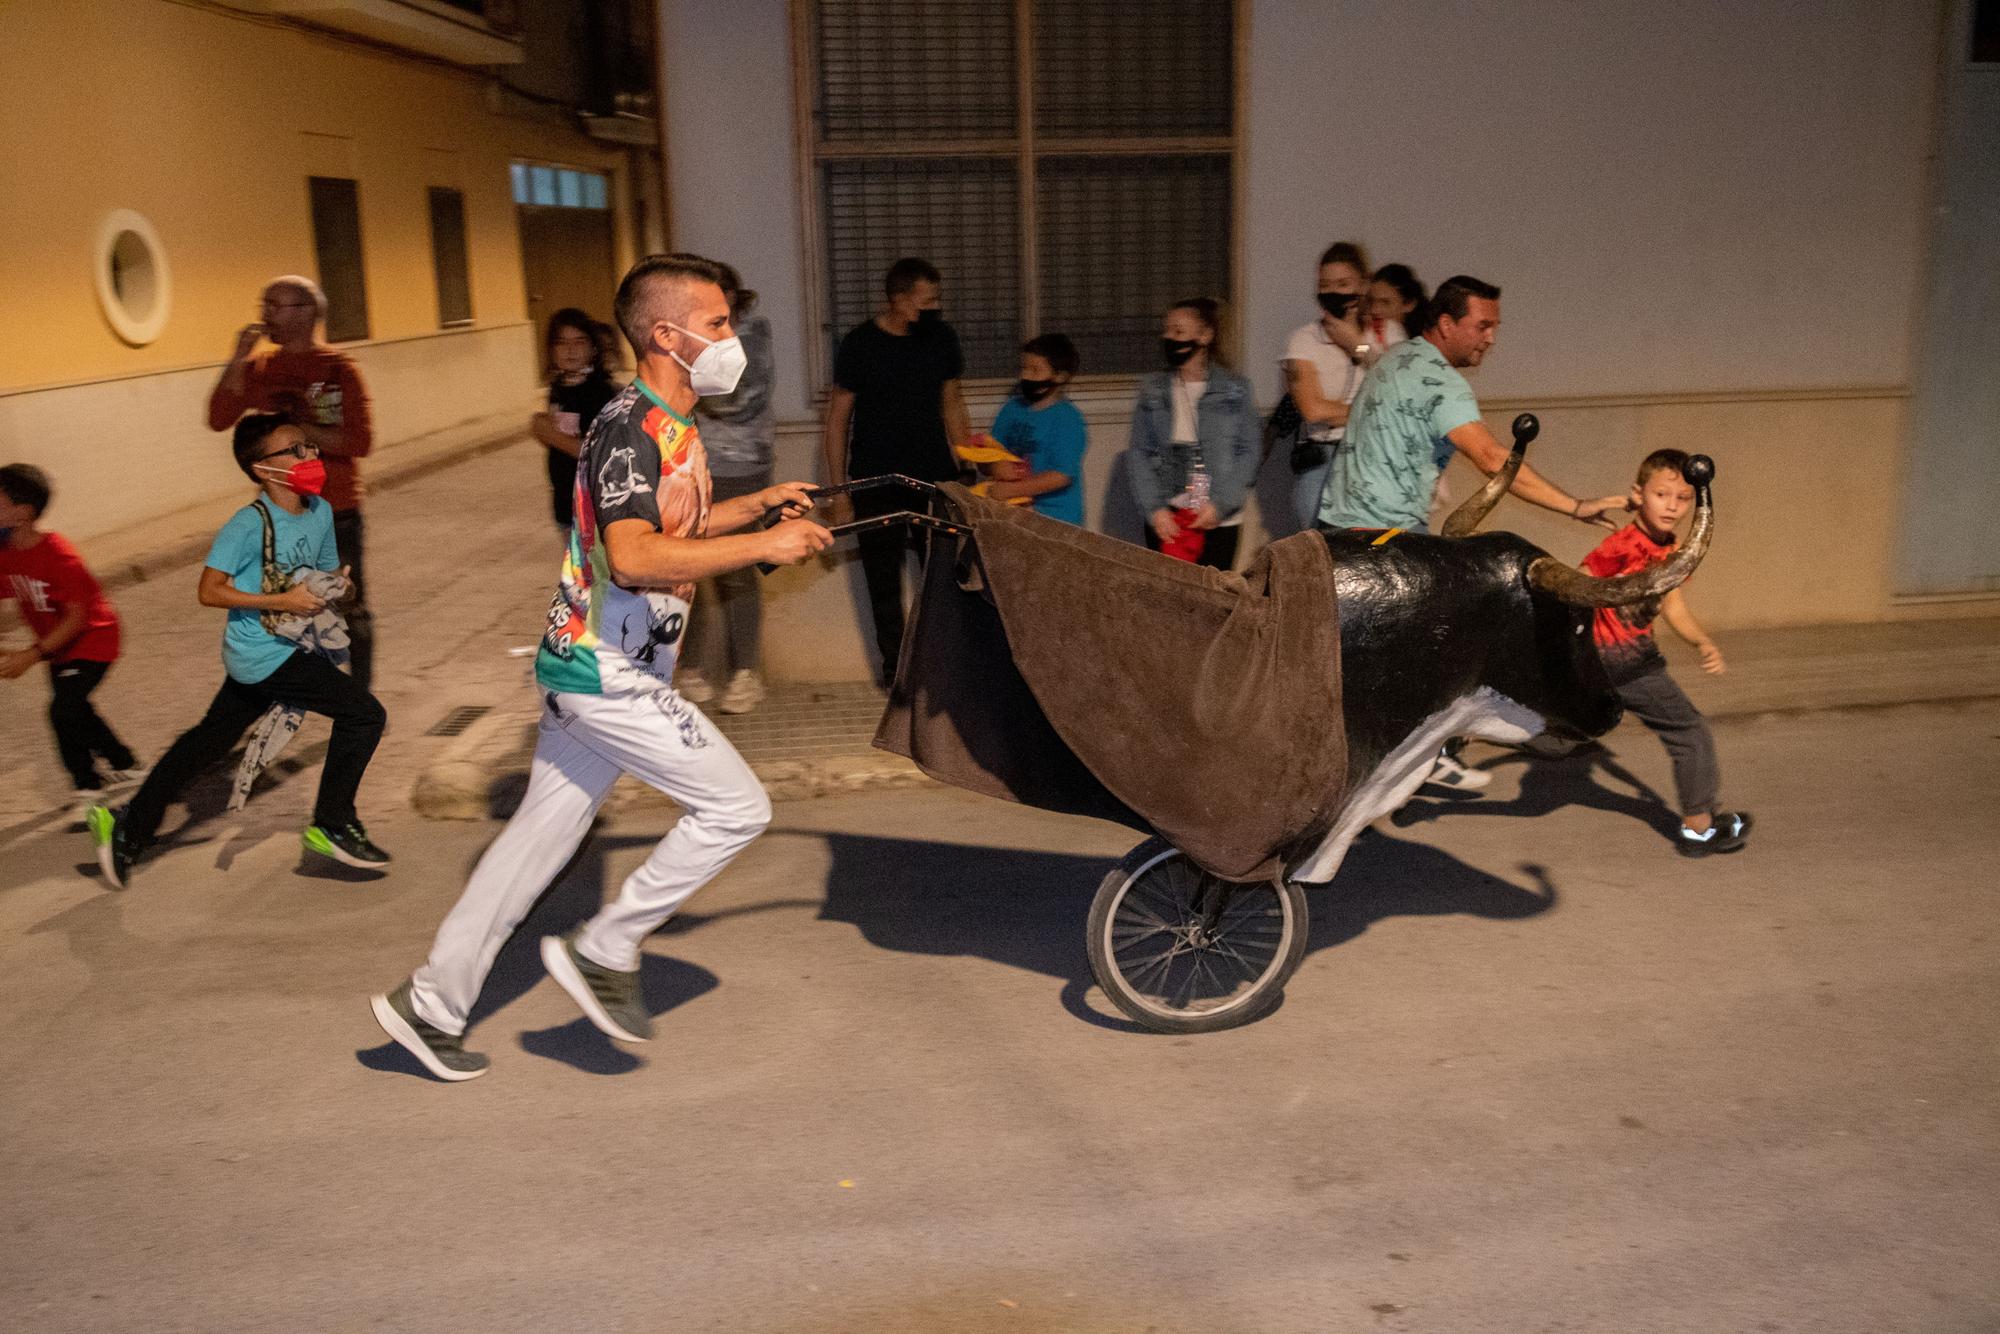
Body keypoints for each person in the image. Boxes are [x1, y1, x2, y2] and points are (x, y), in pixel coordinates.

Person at [369, 253, 832, 1082]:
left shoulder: (672, 424)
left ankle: (429, 1005)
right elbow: (635, 556)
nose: (734, 340)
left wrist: (754, 506)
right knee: (735, 808)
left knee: (532, 849)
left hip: (607, 668)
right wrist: (765, 545)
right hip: (603, 669)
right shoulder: (630, 426)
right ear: (668, 334)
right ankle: (606, 947)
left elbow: (672, 529)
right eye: (718, 324)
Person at [1317, 274, 1625, 790]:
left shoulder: (1396, 357)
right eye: (1482, 326)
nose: (1490, 338)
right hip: (1384, 541)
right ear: (1446, 323)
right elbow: (1491, 459)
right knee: (1452, 638)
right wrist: (1576, 506)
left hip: (1337, 529)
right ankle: (1429, 749)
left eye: (1495, 328)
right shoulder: (1442, 382)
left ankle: (1373, 765)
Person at [88, 415, 388, 888]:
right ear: (262, 469)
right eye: (292, 450)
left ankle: (127, 823)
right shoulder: (248, 525)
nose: (307, 456)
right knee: (365, 715)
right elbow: (209, 590)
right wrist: (281, 601)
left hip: (284, 645)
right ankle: (331, 824)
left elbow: (327, 578)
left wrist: (340, 590)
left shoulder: (320, 511)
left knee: (207, 741)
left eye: (308, 447)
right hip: (264, 652)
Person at [207, 276, 379, 690]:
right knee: (273, 611)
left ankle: (360, 699)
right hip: (277, 514)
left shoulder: (339, 370)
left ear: (307, 313)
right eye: (263, 304)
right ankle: (267, 700)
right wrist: (237, 359)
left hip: (334, 509)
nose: (265, 314)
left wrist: (299, 430)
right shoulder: (260, 368)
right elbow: (218, 417)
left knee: (347, 607)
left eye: (275, 305)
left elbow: (360, 441)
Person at [1585, 449, 1753, 857]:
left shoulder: (1672, 549)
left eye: (1682, 499)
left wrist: (1701, 641)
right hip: (1625, 662)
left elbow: (1673, 605)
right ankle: (1699, 828)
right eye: (1662, 495)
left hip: (1622, 659)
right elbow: (1581, 585)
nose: (1672, 506)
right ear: (1638, 494)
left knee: (1562, 728)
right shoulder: (1621, 545)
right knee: (1689, 733)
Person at [822, 257, 972, 685]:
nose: (934, 308)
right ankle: (898, 676)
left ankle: (944, 670)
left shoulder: (941, 338)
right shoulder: (859, 345)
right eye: (927, 300)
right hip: (876, 481)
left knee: (941, 578)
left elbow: (953, 403)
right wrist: (839, 491)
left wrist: (968, 467)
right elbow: (837, 420)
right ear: (899, 300)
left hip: (934, 479)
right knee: (883, 583)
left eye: (936, 299)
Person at [0, 464, 140, 813]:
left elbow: (77, 617)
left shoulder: (58, 554)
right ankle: (125, 764)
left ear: (22, 513)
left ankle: (87, 787)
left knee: (63, 710)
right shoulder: (5, 553)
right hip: (58, 646)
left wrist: (30, 655)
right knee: (75, 707)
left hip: (93, 639)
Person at [681, 264, 776, 714]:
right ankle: (691, 669)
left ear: (736, 296)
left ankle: (746, 674)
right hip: (693, 468)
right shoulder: (695, 334)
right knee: (689, 570)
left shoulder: (754, 336)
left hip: (742, 469)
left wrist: (682, 382)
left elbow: (736, 401)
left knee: (738, 570)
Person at [1127, 298, 1258, 570]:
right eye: (1166, 331)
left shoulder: (1235, 389)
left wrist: (1220, 504)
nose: (1169, 338)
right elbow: (1139, 452)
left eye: (1178, 331)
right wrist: (1155, 510)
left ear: (1205, 336)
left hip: (1219, 517)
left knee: (1216, 596)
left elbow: (1249, 451)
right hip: (1168, 517)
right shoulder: (1153, 389)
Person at [1280, 243, 1383, 531]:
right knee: (1324, 555)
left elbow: (1400, 392)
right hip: (1322, 461)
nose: (1333, 292)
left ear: (1362, 286)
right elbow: (1313, 409)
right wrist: (1374, 412)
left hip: (1372, 461)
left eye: (1343, 284)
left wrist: (1358, 347)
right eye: (1325, 285)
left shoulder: (1386, 335)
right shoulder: (1303, 340)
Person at [532, 308, 620, 532]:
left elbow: (597, 454)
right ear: (551, 350)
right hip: (564, 505)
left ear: (592, 348)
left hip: (593, 508)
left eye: (579, 342)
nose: (570, 350)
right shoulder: (559, 388)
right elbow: (563, 441)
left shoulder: (600, 393)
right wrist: (547, 433)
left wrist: (549, 433)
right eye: (561, 343)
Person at [986, 333, 1088, 525]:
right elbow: (988, 451)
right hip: (1012, 514)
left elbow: (1061, 476)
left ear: (1059, 376)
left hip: (1056, 520)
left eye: (1035, 370)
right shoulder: (1012, 409)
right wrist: (993, 466)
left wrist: (1011, 490)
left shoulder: (1067, 418)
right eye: (1024, 368)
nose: (1026, 376)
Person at [1366, 263, 1427, 342]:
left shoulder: (1422, 344)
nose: (1374, 310)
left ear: (1408, 304)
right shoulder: (1370, 333)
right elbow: (1361, 350)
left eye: (1385, 302)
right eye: (1371, 302)